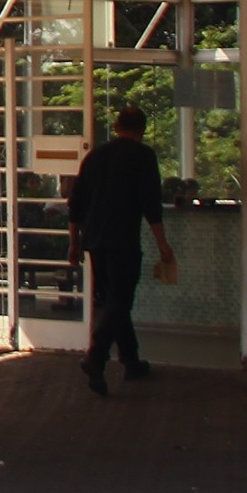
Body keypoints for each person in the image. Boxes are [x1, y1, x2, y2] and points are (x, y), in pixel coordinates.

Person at [66, 105, 178, 397]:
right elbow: (151, 204)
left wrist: (74, 244)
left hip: (95, 241)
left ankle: (131, 360)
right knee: (120, 300)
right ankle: (96, 357)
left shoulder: (94, 157)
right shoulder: (143, 156)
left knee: (112, 300)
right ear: (142, 130)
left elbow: (75, 204)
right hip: (123, 240)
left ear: (116, 127)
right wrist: (163, 244)